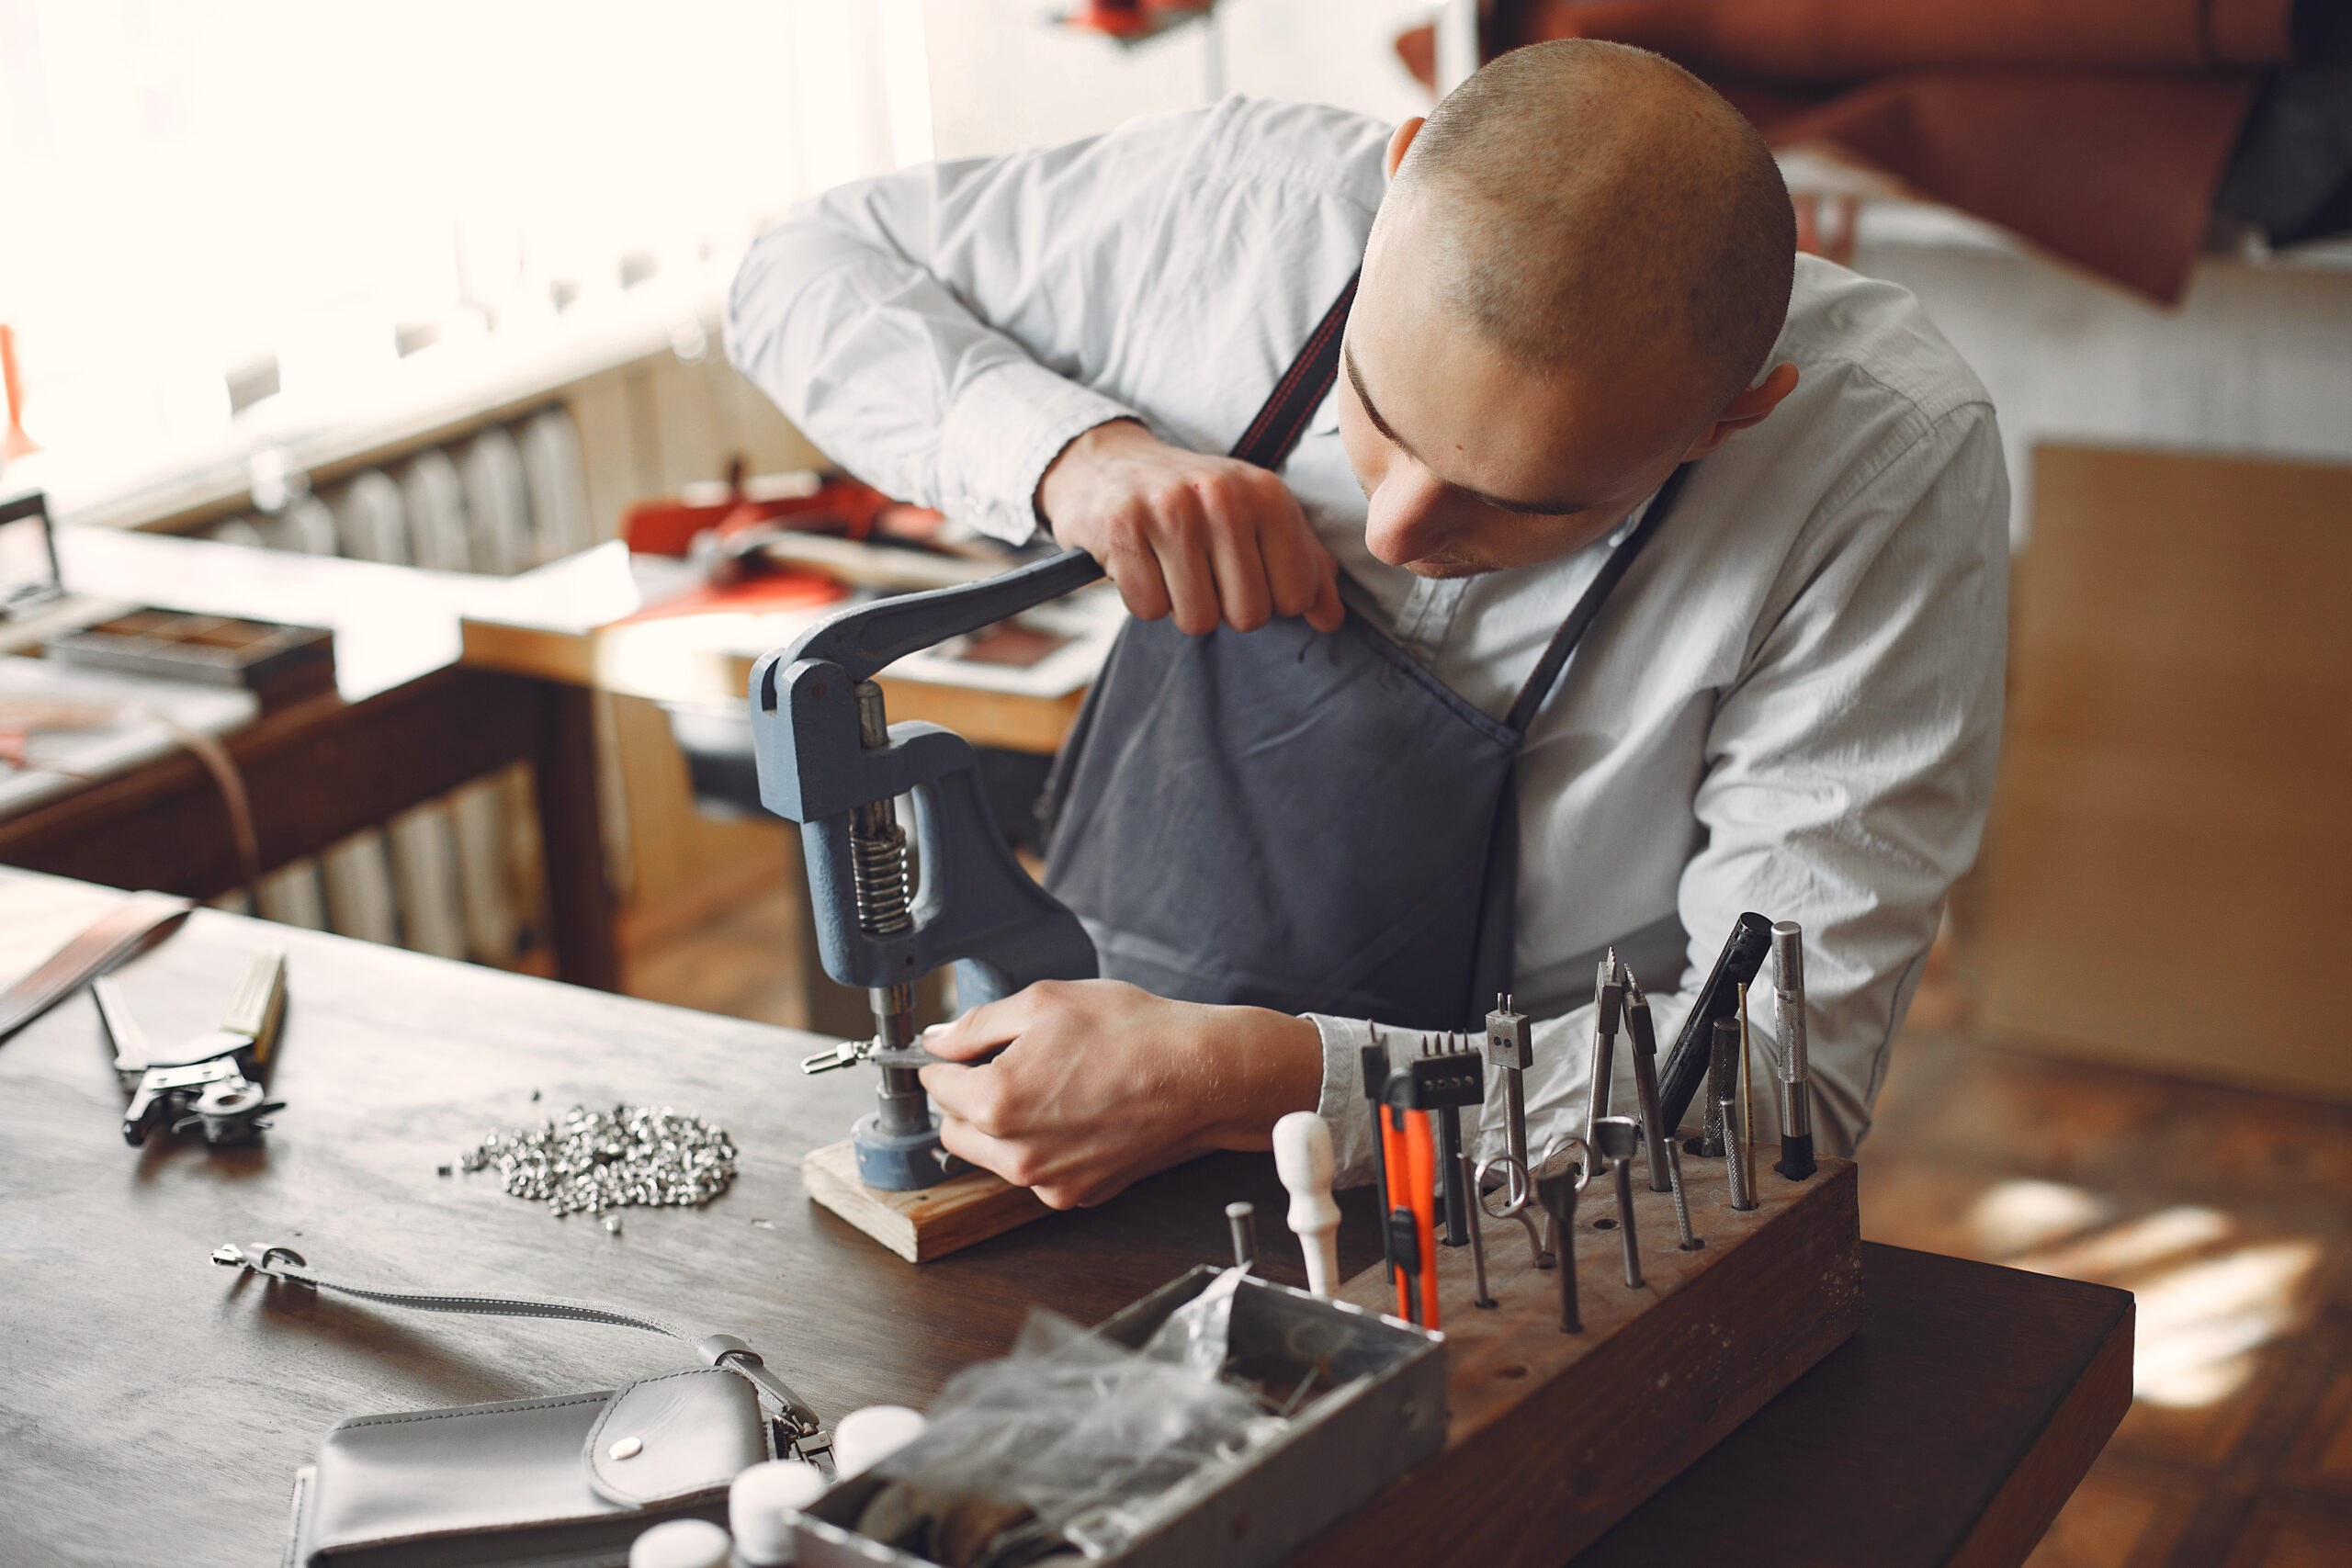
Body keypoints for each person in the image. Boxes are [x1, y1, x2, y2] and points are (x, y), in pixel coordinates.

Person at [728, 40, 2007, 1209]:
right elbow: (797, 271)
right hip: (1062, 1101)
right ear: (1398, 183)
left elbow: (1776, 1078)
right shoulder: (1247, 210)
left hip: (1525, 1203)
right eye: (1373, 415)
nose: (1394, 529)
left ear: (1733, 415)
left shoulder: (1876, 463)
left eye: (1523, 506)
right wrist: (1069, 454)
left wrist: (1266, 1079)